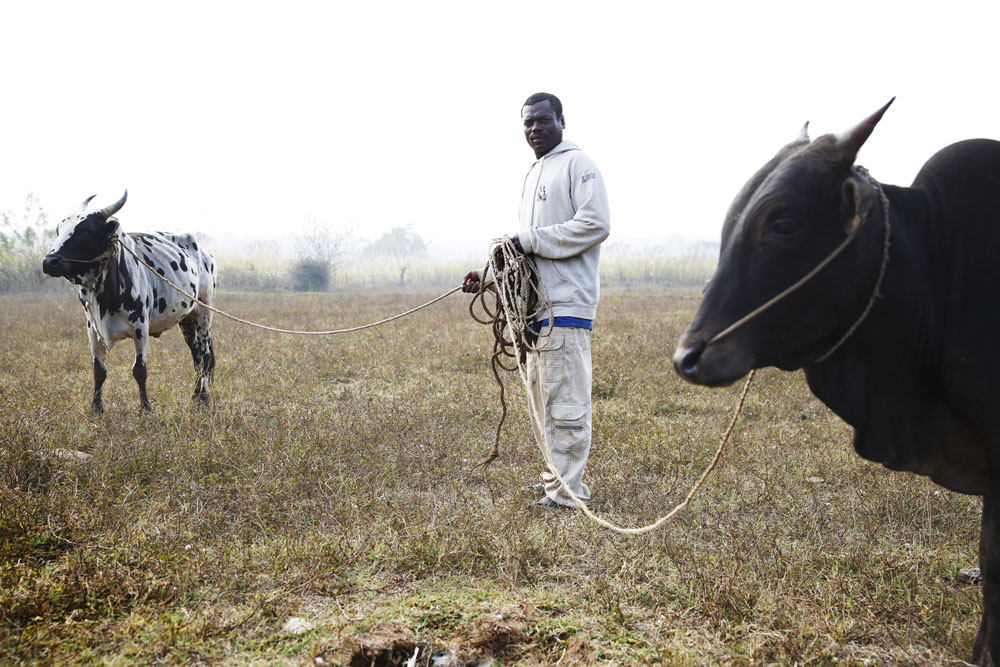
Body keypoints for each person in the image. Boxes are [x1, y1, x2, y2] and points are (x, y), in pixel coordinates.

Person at [462, 92, 611, 509]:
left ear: (562, 120)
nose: (534, 129)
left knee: (565, 403)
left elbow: (595, 223)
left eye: (543, 120)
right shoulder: (534, 173)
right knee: (541, 399)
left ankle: (567, 492)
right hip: (533, 310)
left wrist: (527, 240)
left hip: (566, 306)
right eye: (528, 123)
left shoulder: (578, 164)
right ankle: (554, 480)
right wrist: (488, 276)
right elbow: (520, 250)